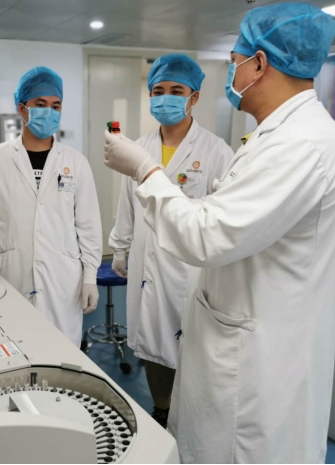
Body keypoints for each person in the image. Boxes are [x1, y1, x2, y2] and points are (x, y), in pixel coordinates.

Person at [103, 3, 335, 463]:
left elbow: (206, 235)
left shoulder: (300, 145)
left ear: (259, 63)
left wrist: (145, 171)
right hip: (233, 324)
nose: (232, 72)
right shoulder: (274, 137)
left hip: (256, 359)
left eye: (235, 60)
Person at [109, 54, 233, 428]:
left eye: (176, 91)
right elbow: (127, 203)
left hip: (190, 268)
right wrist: (119, 246)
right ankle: (162, 408)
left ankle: (189, 413)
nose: (166, 98)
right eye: (158, 91)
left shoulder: (216, 151)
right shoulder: (138, 146)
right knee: (151, 342)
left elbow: (223, 218)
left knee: (191, 345)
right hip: (146, 263)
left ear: (194, 97)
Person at [0, 66, 102, 347]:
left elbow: (89, 227)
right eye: (40, 104)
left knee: (63, 354)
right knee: (17, 350)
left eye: (55, 106)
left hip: (63, 281)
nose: (49, 111)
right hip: (14, 277)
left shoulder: (76, 162)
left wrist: (90, 277)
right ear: (22, 109)